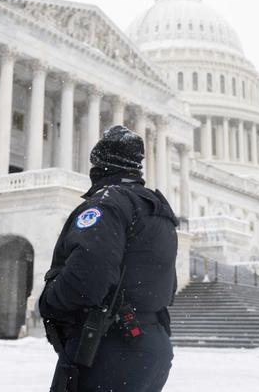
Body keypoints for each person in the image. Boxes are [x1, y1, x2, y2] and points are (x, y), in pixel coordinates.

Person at [39, 125, 178, 392]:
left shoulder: (108, 204)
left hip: (108, 344)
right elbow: (167, 284)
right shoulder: (158, 209)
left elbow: (87, 276)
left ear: (99, 164)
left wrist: (50, 302)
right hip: (150, 343)